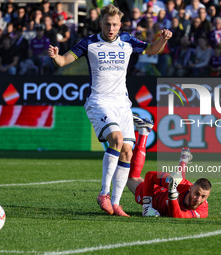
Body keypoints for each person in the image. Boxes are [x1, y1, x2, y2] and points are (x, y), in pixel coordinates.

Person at [47, 4, 172, 217]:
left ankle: (115, 203)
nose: (111, 28)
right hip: (99, 100)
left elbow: (151, 49)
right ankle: (104, 193)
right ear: (101, 23)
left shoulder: (128, 40)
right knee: (116, 139)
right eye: (107, 24)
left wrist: (164, 39)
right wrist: (55, 56)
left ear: (120, 24)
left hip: (122, 103)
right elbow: (63, 61)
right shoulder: (89, 43)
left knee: (127, 151)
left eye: (114, 24)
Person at [127, 115, 211, 218]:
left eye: (203, 196)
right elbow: (150, 175)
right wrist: (147, 206)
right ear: (191, 188)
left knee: (178, 181)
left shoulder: (202, 211)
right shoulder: (182, 184)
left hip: (168, 193)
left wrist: (172, 194)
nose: (198, 199)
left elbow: (177, 215)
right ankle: (144, 132)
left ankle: (184, 160)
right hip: (153, 192)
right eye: (197, 193)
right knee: (131, 178)